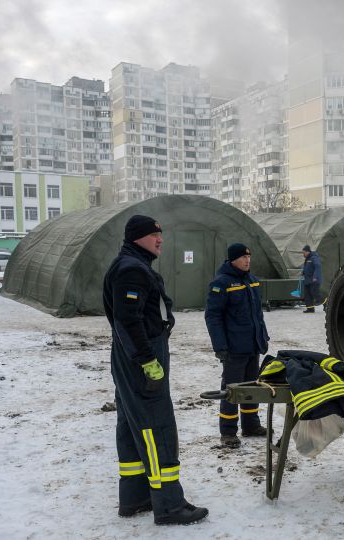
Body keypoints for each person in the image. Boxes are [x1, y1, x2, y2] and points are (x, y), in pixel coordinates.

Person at [103, 215, 208, 525]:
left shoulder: (132, 264)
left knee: (131, 424)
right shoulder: (131, 270)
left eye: (161, 234)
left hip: (132, 356)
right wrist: (147, 361)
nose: (160, 239)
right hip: (141, 358)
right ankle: (169, 504)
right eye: (153, 235)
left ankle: (136, 496)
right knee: (156, 427)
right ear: (137, 237)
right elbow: (128, 320)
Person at [204, 243, 271, 448]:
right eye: (243, 257)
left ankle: (251, 425)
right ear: (232, 260)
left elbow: (257, 315)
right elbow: (212, 317)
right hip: (234, 348)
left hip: (253, 345)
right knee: (231, 390)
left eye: (249, 257)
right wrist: (220, 347)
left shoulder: (252, 281)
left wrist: (263, 337)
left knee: (252, 387)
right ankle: (228, 432)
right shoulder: (221, 283)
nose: (247, 260)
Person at [301, 245, 322, 313]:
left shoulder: (314, 257)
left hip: (313, 280)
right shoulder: (307, 258)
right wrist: (303, 272)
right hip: (307, 280)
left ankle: (326, 304)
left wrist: (315, 277)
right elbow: (307, 267)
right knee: (307, 295)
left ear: (307, 252)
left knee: (315, 293)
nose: (303, 254)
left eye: (304, 252)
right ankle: (310, 309)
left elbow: (317, 267)